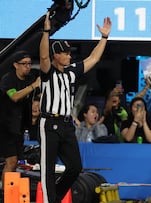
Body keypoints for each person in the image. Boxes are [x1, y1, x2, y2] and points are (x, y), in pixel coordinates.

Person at [38, 11, 111, 202]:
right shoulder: (48, 71)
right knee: (47, 170)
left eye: (70, 53)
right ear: (57, 55)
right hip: (49, 123)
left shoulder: (71, 72)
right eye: (66, 53)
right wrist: (46, 32)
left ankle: (55, 197)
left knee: (75, 167)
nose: (69, 56)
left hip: (66, 124)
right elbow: (44, 57)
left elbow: (93, 59)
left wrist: (104, 37)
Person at [0, 50, 40, 186]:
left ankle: (11, 191)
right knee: (11, 161)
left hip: (19, 127)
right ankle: (5, 194)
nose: (27, 67)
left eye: (29, 64)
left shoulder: (30, 79)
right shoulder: (8, 79)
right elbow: (14, 97)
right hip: (5, 127)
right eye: (24, 64)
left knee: (17, 163)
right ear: (15, 65)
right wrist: (33, 86)